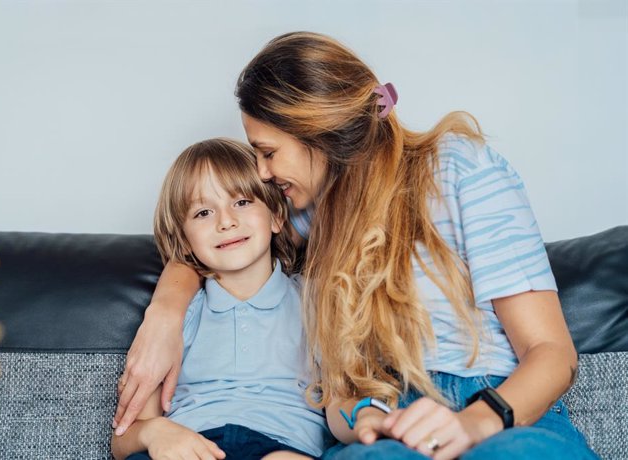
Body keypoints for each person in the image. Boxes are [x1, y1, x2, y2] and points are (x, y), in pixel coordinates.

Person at [115, 32, 598, 459]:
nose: (261, 173)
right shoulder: (305, 216)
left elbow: (552, 352)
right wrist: (165, 312)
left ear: (317, 133)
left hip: (497, 404)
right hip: (381, 419)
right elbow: (211, 250)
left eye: (267, 152)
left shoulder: (459, 168)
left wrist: (472, 423)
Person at [111, 138, 329, 460]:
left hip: (285, 446)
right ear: (184, 241)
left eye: (242, 202)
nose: (225, 221)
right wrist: (155, 432)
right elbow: (123, 438)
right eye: (203, 212)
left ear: (276, 217)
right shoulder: (178, 320)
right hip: (193, 445)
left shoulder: (316, 302)